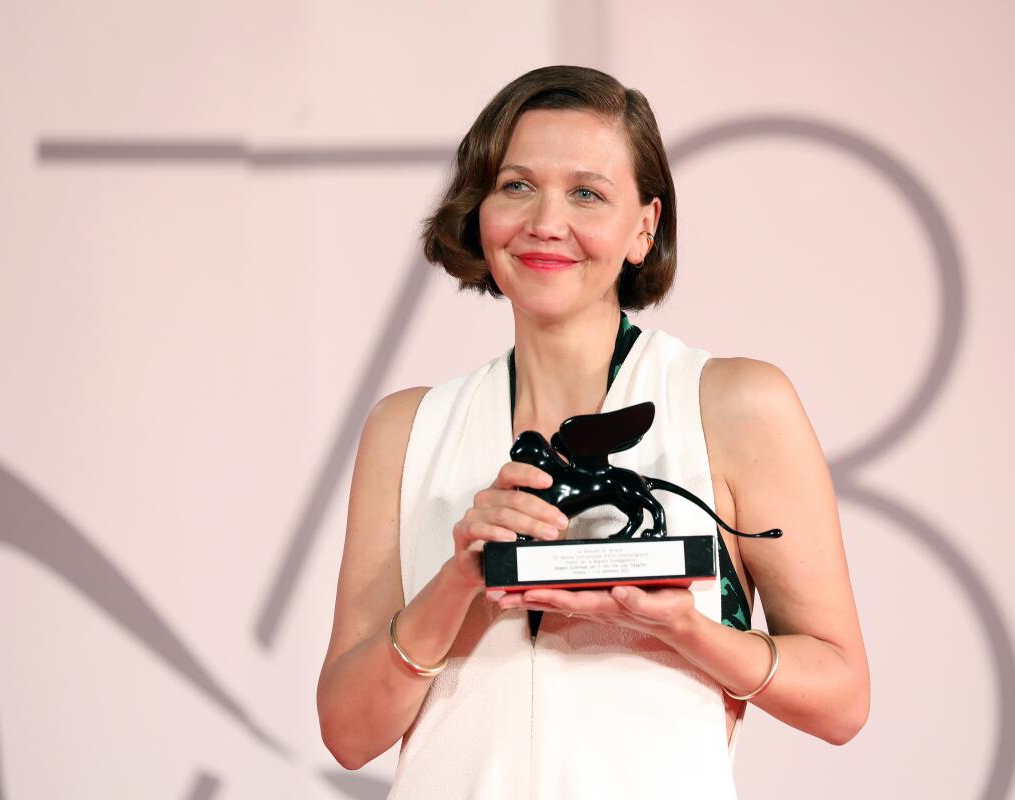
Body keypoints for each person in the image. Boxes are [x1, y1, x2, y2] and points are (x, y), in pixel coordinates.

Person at [317, 65, 869, 798]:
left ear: (645, 225)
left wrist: (687, 630)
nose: (546, 221)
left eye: (587, 192)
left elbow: (842, 699)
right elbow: (349, 735)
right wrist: (458, 583)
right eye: (516, 185)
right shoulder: (407, 428)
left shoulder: (736, 403)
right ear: (478, 210)